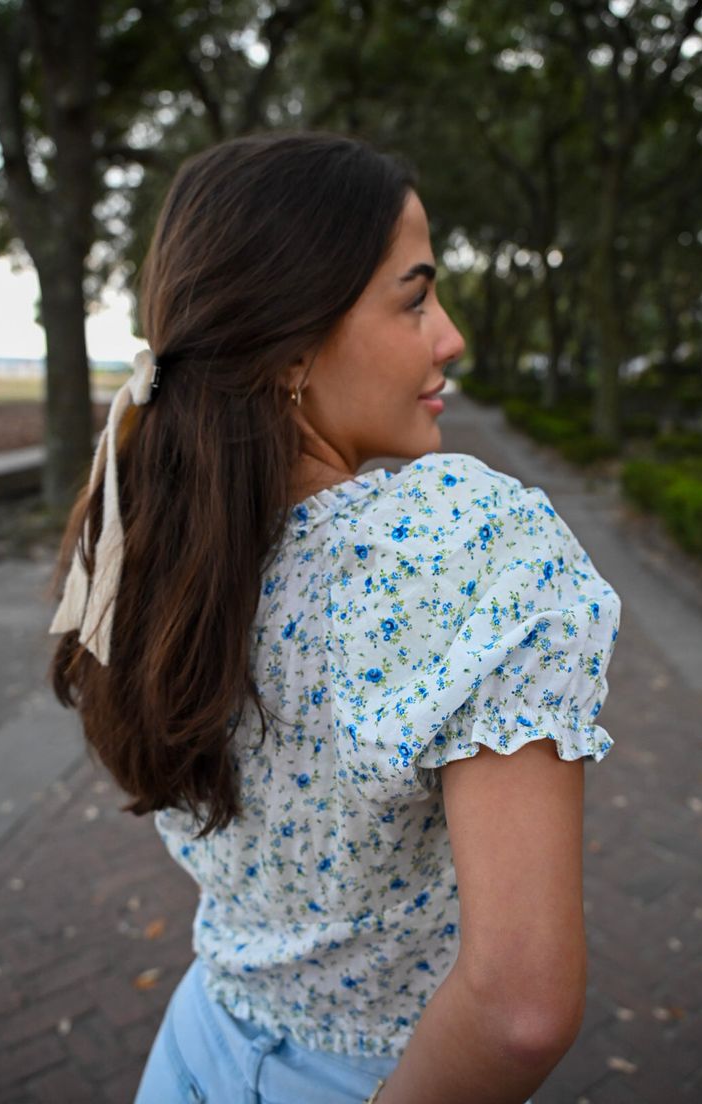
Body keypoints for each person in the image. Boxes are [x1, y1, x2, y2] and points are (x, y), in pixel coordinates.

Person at [49, 131, 621, 1104]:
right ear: (289, 347)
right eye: (415, 296)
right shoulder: (465, 543)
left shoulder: (161, 546)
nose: (450, 337)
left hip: (193, 1048)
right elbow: (519, 1009)